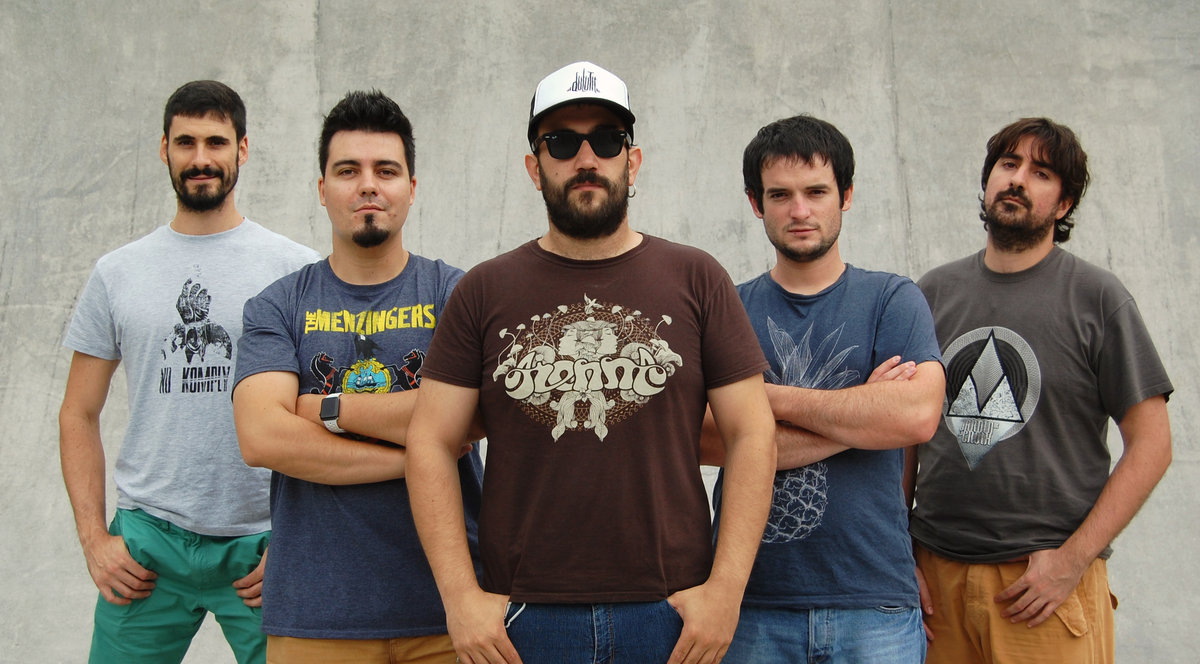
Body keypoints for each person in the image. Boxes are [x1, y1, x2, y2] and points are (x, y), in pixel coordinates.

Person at [403, 61, 777, 664]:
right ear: (534, 167)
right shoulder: (483, 291)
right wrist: (460, 598)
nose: (586, 158)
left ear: (632, 160)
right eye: (560, 142)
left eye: (606, 140)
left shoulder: (697, 277)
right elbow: (429, 441)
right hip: (522, 618)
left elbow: (752, 433)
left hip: (672, 614)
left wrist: (726, 593)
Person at [58, 80, 319, 663]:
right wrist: (95, 539)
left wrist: (302, 542)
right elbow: (77, 412)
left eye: (216, 142)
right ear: (164, 149)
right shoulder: (118, 273)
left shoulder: (296, 270)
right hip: (148, 544)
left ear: (242, 149)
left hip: (264, 546)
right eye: (186, 142)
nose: (201, 158)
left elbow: (323, 418)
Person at [231, 89, 483, 663]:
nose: (368, 185)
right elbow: (262, 437)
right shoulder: (277, 305)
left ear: (411, 188)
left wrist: (325, 409)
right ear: (322, 189)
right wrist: (423, 455)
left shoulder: (458, 294)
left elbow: (474, 415)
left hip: (453, 615)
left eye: (386, 171)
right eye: (348, 171)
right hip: (316, 619)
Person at [910, 117, 1173, 664]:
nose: (1018, 179)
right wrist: (898, 551)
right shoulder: (931, 293)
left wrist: (1073, 560)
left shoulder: (1098, 298)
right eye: (1008, 164)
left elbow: (1152, 444)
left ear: (1064, 204)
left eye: (1041, 172)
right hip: (935, 586)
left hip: (1042, 589)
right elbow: (903, 434)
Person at [702, 115, 944, 663]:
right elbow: (701, 438)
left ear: (846, 196)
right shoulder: (727, 309)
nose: (800, 211)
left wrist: (767, 401)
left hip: (874, 601)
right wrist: (863, 419)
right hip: (750, 603)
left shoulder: (892, 299)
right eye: (780, 195)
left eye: (816, 192)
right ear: (755, 204)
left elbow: (916, 416)